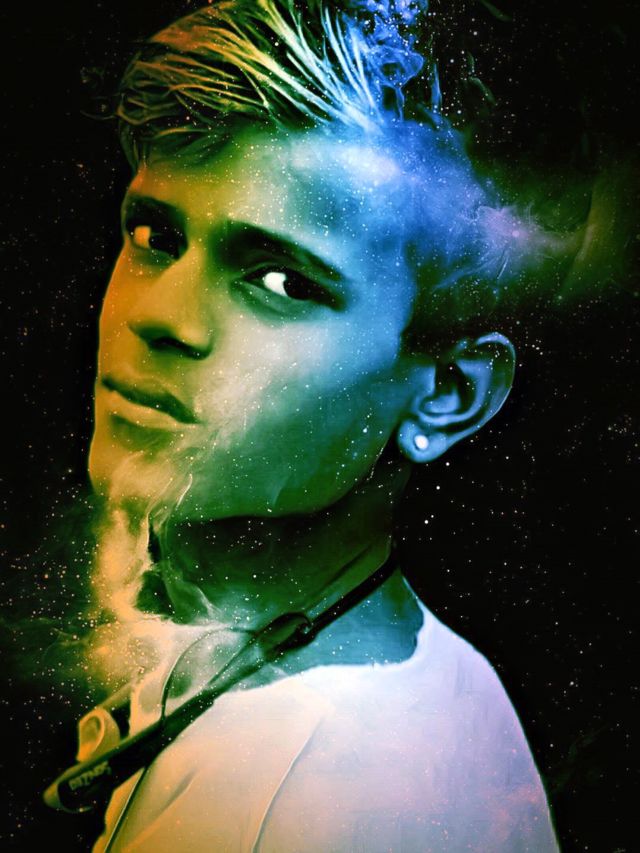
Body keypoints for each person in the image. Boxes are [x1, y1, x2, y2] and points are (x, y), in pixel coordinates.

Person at [44, 0, 579, 849]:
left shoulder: (330, 799)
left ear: (448, 392)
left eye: (283, 281)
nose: (158, 315)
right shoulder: (368, 677)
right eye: (155, 235)